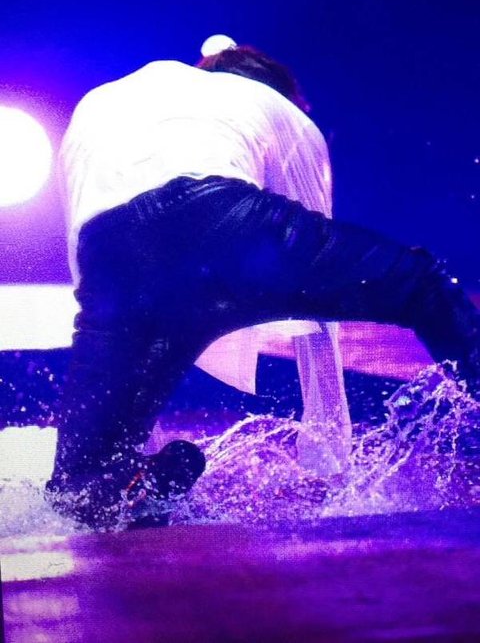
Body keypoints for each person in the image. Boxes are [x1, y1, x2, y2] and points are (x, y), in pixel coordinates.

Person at [47, 45, 480, 530]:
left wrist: (110, 340)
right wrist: (329, 447)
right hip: (223, 224)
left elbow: (80, 246)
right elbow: (313, 261)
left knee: (78, 487)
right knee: (420, 282)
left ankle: (141, 486)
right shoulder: (282, 110)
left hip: (111, 259)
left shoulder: (102, 101)